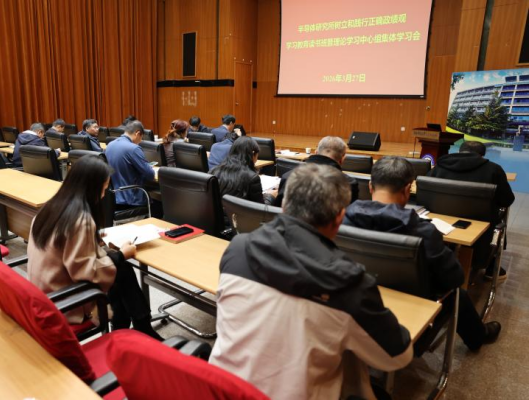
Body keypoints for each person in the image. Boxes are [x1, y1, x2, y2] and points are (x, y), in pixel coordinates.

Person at [209, 163, 413, 400]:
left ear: (284, 205)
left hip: (219, 391)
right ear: (340, 217)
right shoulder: (349, 283)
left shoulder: (237, 248)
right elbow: (397, 357)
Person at [344, 156, 501, 352]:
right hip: (414, 312)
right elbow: (455, 278)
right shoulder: (423, 231)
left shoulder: (343, 219)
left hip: (357, 299)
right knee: (457, 294)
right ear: (408, 189)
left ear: (370, 186)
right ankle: (478, 336)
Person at [27, 156, 162, 340]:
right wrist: (122, 254)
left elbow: (66, 250)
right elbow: (86, 272)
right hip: (66, 301)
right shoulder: (80, 220)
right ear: (90, 189)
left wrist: (93, 242)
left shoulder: (50, 208)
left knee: (118, 270)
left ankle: (125, 327)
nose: (104, 195)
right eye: (103, 189)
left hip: (44, 291)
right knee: (121, 268)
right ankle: (141, 326)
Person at [427, 141, 515, 280]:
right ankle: (491, 267)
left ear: (459, 151)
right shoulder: (494, 170)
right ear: (482, 155)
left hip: (441, 223)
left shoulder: (439, 166)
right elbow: (507, 200)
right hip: (482, 230)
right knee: (499, 216)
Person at [274, 136, 359, 206]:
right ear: (343, 159)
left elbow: (278, 210)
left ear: (315, 152)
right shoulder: (348, 184)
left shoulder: (288, 176)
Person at [105, 120, 159, 215]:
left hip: (114, 197)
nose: (140, 141)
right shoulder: (133, 148)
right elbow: (150, 175)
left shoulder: (110, 145)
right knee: (159, 207)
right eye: (141, 138)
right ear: (137, 133)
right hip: (131, 199)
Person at [210, 136, 276, 205]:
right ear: (253, 154)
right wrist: (270, 196)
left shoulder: (214, 170)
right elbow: (259, 208)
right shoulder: (252, 178)